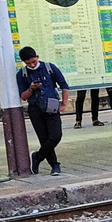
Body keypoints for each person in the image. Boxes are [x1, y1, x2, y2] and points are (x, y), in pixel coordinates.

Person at [17, 46, 70, 175]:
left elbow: (64, 85)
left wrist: (64, 103)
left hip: (51, 106)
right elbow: (23, 96)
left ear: (37, 57)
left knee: (55, 136)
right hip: (35, 108)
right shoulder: (22, 74)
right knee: (43, 138)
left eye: (33, 61)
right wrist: (31, 88)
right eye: (28, 63)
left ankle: (38, 157)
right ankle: (54, 165)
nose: (32, 65)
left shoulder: (49, 68)